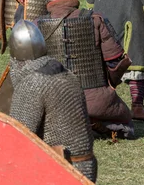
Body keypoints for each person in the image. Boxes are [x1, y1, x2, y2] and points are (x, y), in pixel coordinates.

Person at [35, 0, 134, 139]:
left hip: (54, 104)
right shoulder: (95, 19)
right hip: (98, 103)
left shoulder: (35, 27)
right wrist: (111, 84)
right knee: (123, 121)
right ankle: (95, 123)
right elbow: (115, 60)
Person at [8, 19, 97, 182]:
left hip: (59, 169)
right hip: (86, 167)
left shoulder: (33, 83)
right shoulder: (66, 74)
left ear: (16, 60)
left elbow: (17, 140)